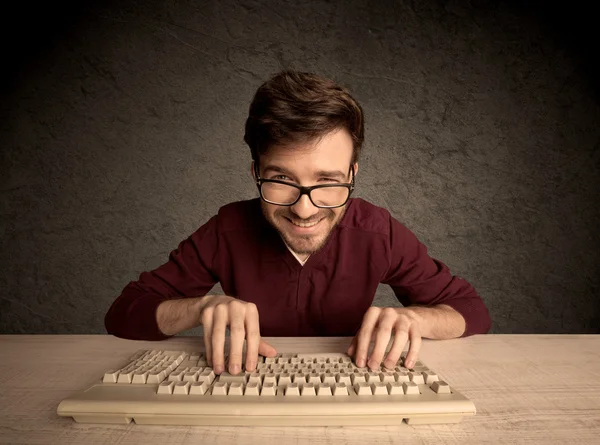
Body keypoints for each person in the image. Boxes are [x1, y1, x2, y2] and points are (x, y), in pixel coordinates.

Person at [105, 70, 492, 377]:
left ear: (352, 174)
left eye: (327, 182)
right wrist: (199, 309)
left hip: (352, 395)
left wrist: (414, 317)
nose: (304, 211)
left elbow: (471, 310)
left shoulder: (379, 231)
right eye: (282, 179)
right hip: (249, 395)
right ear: (256, 171)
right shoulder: (226, 229)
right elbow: (123, 314)